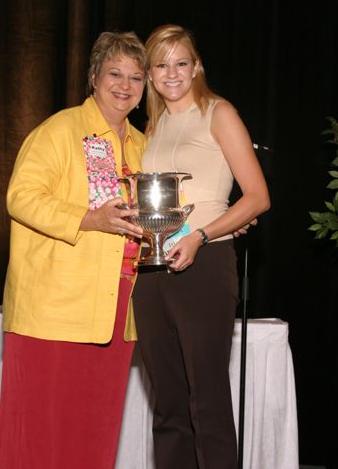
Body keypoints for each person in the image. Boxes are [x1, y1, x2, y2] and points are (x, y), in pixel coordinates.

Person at [0, 31, 148, 469]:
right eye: (115, 73)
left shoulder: (142, 146)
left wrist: (215, 227)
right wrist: (88, 218)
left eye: (136, 77)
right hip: (54, 311)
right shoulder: (59, 130)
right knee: (39, 436)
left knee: (95, 434)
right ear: (93, 76)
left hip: (116, 313)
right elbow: (20, 197)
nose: (124, 85)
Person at [132, 24, 271, 469]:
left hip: (205, 263)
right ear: (150, 73)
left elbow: (257, 197)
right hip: (152, 269)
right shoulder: (154, 126)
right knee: (167, 404)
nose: (171, 73)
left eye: (181, 62)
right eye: (161, 64)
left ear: (196, 68)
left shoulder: (218, 113)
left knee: (206, 401)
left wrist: (203, 234)